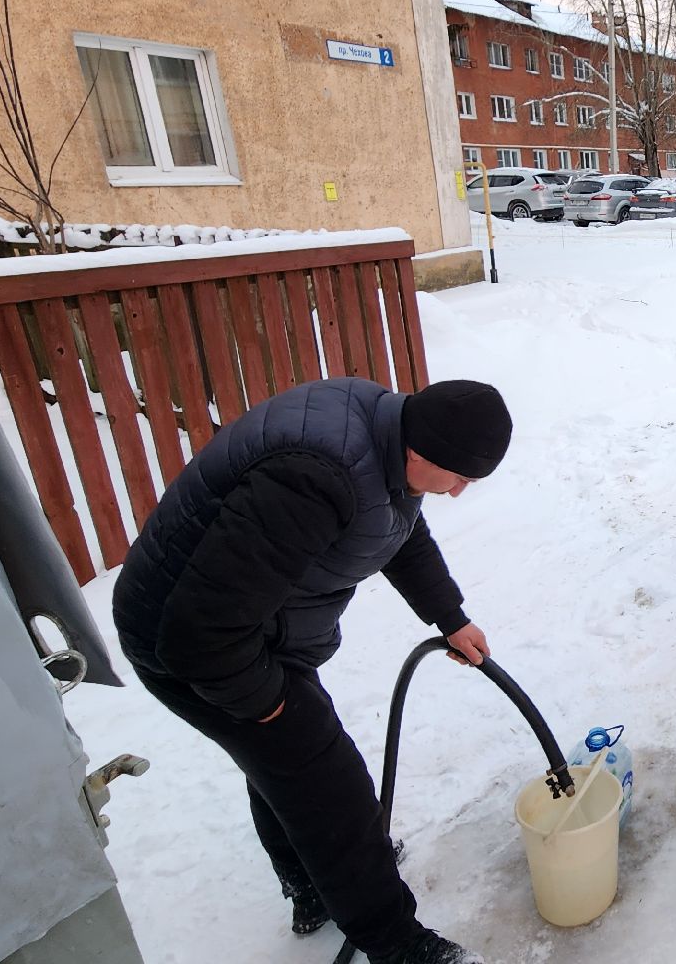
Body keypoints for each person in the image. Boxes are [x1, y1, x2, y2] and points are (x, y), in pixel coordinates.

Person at [113, 377, 512, 964]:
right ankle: (396, 942)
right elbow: (200, 634)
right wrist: (267, 703)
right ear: (421, 451)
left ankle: (314, 891)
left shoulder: (387, 436)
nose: (458, 492)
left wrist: (447, 614)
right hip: (191, 641)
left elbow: (397, 526)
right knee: (330, 788)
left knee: (287, 768)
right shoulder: (313, 477)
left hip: (244, 622)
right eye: (459, 477)